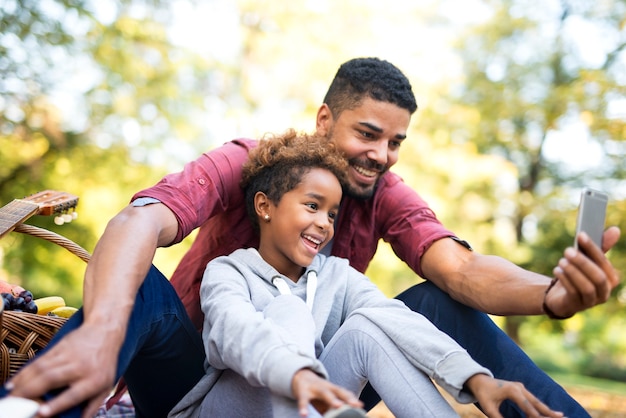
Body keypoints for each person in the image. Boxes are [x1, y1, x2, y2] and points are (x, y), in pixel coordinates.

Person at [4, 57, 620, 418]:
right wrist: (105, 332)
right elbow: (139, 220)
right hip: (196, 373)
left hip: (320, 381)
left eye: (396, 142)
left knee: (434, 305)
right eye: (368, 133)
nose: (381, 156)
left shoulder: (383, 197)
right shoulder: (249, 168)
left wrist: (553, 295)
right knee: (139, 286)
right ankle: (33, 404)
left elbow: (459, 270)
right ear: (325, 119)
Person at [171, 130, 562, 418]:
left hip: (315, 404)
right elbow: (238, 333)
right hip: (232, 407)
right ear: (265, 206)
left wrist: (475, 378)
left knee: (368, 327)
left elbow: (398, 320)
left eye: (332, 214)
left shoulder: (337, 275)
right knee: (289, 312)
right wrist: (297, 374)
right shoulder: (227, 272)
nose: (324, 223)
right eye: (312, 205)